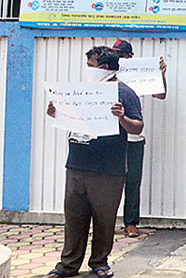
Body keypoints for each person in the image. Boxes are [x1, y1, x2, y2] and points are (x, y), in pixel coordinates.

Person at [44, 46, 143, 278]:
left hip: (108, 170)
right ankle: (67, 265)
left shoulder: (125, 93)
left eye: (91, 66)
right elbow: (70, 118)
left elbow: (137, 126)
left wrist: (121, 118)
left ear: (105, 68)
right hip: (77, 165)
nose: (88, 71)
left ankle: (99, 262)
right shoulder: (81, 91)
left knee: (104, 219)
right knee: (74, 217)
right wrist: (55, 112)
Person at [111, 39, 168, 239]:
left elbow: (160, 95)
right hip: (109, 137)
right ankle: (106, 221)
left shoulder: (141, 74)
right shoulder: (106, 77)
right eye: (115, 55)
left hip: (134, 136)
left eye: (121, 55)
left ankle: (131, 223)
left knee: (133, 180)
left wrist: (160, 74)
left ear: (129, 58)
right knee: (108, 181)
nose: (118, 59)